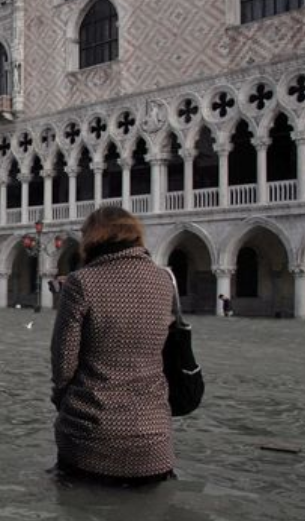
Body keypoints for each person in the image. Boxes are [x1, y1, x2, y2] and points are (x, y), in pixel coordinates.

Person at [51, 206, 176, 486]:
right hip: (154, 444)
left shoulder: (81, 282)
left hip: (90, 438)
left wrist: (63, 402)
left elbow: (63, 363)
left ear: (92, 238)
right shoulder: (164, 281)